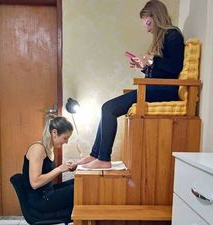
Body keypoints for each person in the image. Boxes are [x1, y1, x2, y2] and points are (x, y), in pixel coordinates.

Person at [78, 0, 184, 169]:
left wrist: (151, 60)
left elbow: (174, 67)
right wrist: (144, 67)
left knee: (108, 109)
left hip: (165, 91)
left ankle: (104, 158)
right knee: (107, 108)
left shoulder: (173, 35)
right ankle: (94, 155)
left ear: (157, 18)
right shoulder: (165, 37)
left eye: (149, 23)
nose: (148, 29)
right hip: (158, 88)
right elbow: (161, 72)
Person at [22, 114, 76, 214]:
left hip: (47, 193)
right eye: (65, 138)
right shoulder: (38, 148)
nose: (66, 142)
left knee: (78, 183)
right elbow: (35, 183)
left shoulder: (49, 149)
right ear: (54, 132)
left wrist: (66, 167)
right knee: (78, 189)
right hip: (39, 200)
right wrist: (59, 169)